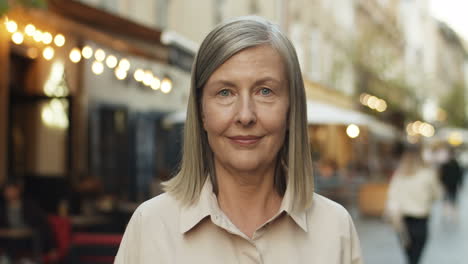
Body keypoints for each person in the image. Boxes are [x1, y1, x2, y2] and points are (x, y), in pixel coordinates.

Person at [115, 16, 362, 263]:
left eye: (265, 91)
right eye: (225, 92)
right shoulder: (151, 227)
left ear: (291, 110)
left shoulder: (335, 229)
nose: (245, 115)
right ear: (202, 112)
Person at [386, 147, 441, 264]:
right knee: (416, 257)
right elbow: (437, 195)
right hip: (420, 220)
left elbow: (392, 195)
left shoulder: (399, 175)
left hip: (402, 221)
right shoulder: (428, 174)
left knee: (409, 256)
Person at [0, 178, 57, 262]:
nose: (10, 193)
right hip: (9, 240)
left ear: (18, 190)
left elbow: (44, 226)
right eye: (7, 190)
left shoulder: (30, 206)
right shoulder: (2, 208)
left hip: (29, 240)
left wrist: (52, 247)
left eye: (12, 190)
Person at [439, 148, 464, 223]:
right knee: (453, 198)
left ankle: (447, 213)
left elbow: (442, 175)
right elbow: (460, 175)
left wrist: (442, 183)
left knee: (447, 198)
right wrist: (460, 183)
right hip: (453, 184)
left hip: (448, 184)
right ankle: (452, 214)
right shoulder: (456, 164)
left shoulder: (446, 164)